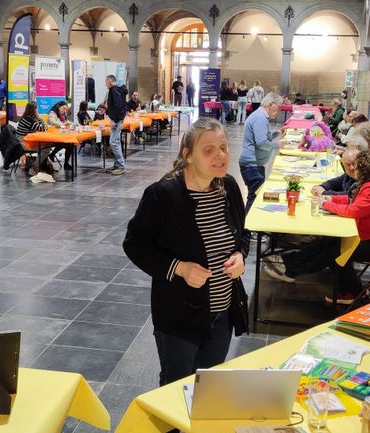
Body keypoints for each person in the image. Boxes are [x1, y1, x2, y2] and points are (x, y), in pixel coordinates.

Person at [123, 117, 250, 386]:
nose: (220, 156)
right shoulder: (163, 195)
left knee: (208, 385)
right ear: (188, 155)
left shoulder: (228, 187)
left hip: (222, 312)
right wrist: (179, 268)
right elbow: (135, 244)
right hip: (179, 316)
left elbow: (242, 234)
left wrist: (240, 256)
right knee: (176, 385)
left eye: (224, 147)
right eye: (208, 150)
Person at [305, 150, 370, 303]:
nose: (353, 170)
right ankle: (348, 290)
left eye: (357, 167)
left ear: (366, 169)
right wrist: (331, 198)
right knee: (333, 244)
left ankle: (357, 294)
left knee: (337, 252)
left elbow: (353, 211)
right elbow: (355, 201)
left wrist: (325, 204)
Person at [239, 92, 281, 212]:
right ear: (271, 105)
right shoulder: (260, 118)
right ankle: (247, 227)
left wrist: (277, 133)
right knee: (255, 197)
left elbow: (262, 138)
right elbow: (262, 143)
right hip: (252, 165)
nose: (278, 111)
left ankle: (248, 226)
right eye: (278, 108)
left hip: (254, 164)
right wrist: (276, 146)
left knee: (255, 195)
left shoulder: (259, 116)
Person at [105, 74, 128, 175]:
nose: (105, 84)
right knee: (116, 142)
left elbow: (118, 106)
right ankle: (117, 164)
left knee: (113, 142)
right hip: (118, 119)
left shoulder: (114, 90)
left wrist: (114, 119)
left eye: (106, 82)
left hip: (117, 120)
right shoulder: (119, 89)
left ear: (110, 81)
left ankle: (121, 166)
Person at [46, 101, 75, 170]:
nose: (64, 111)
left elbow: (66, 122)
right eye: (64, 108)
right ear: (59, 106)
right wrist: (63, 124)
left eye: (66, 109)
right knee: (69, 144)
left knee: (70, 144)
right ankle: (65, 163)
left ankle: (53, 155)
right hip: (52, 137)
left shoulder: (61, 115)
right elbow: (53, 122)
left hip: (59, 136)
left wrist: (73, 124)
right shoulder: (52, 113)